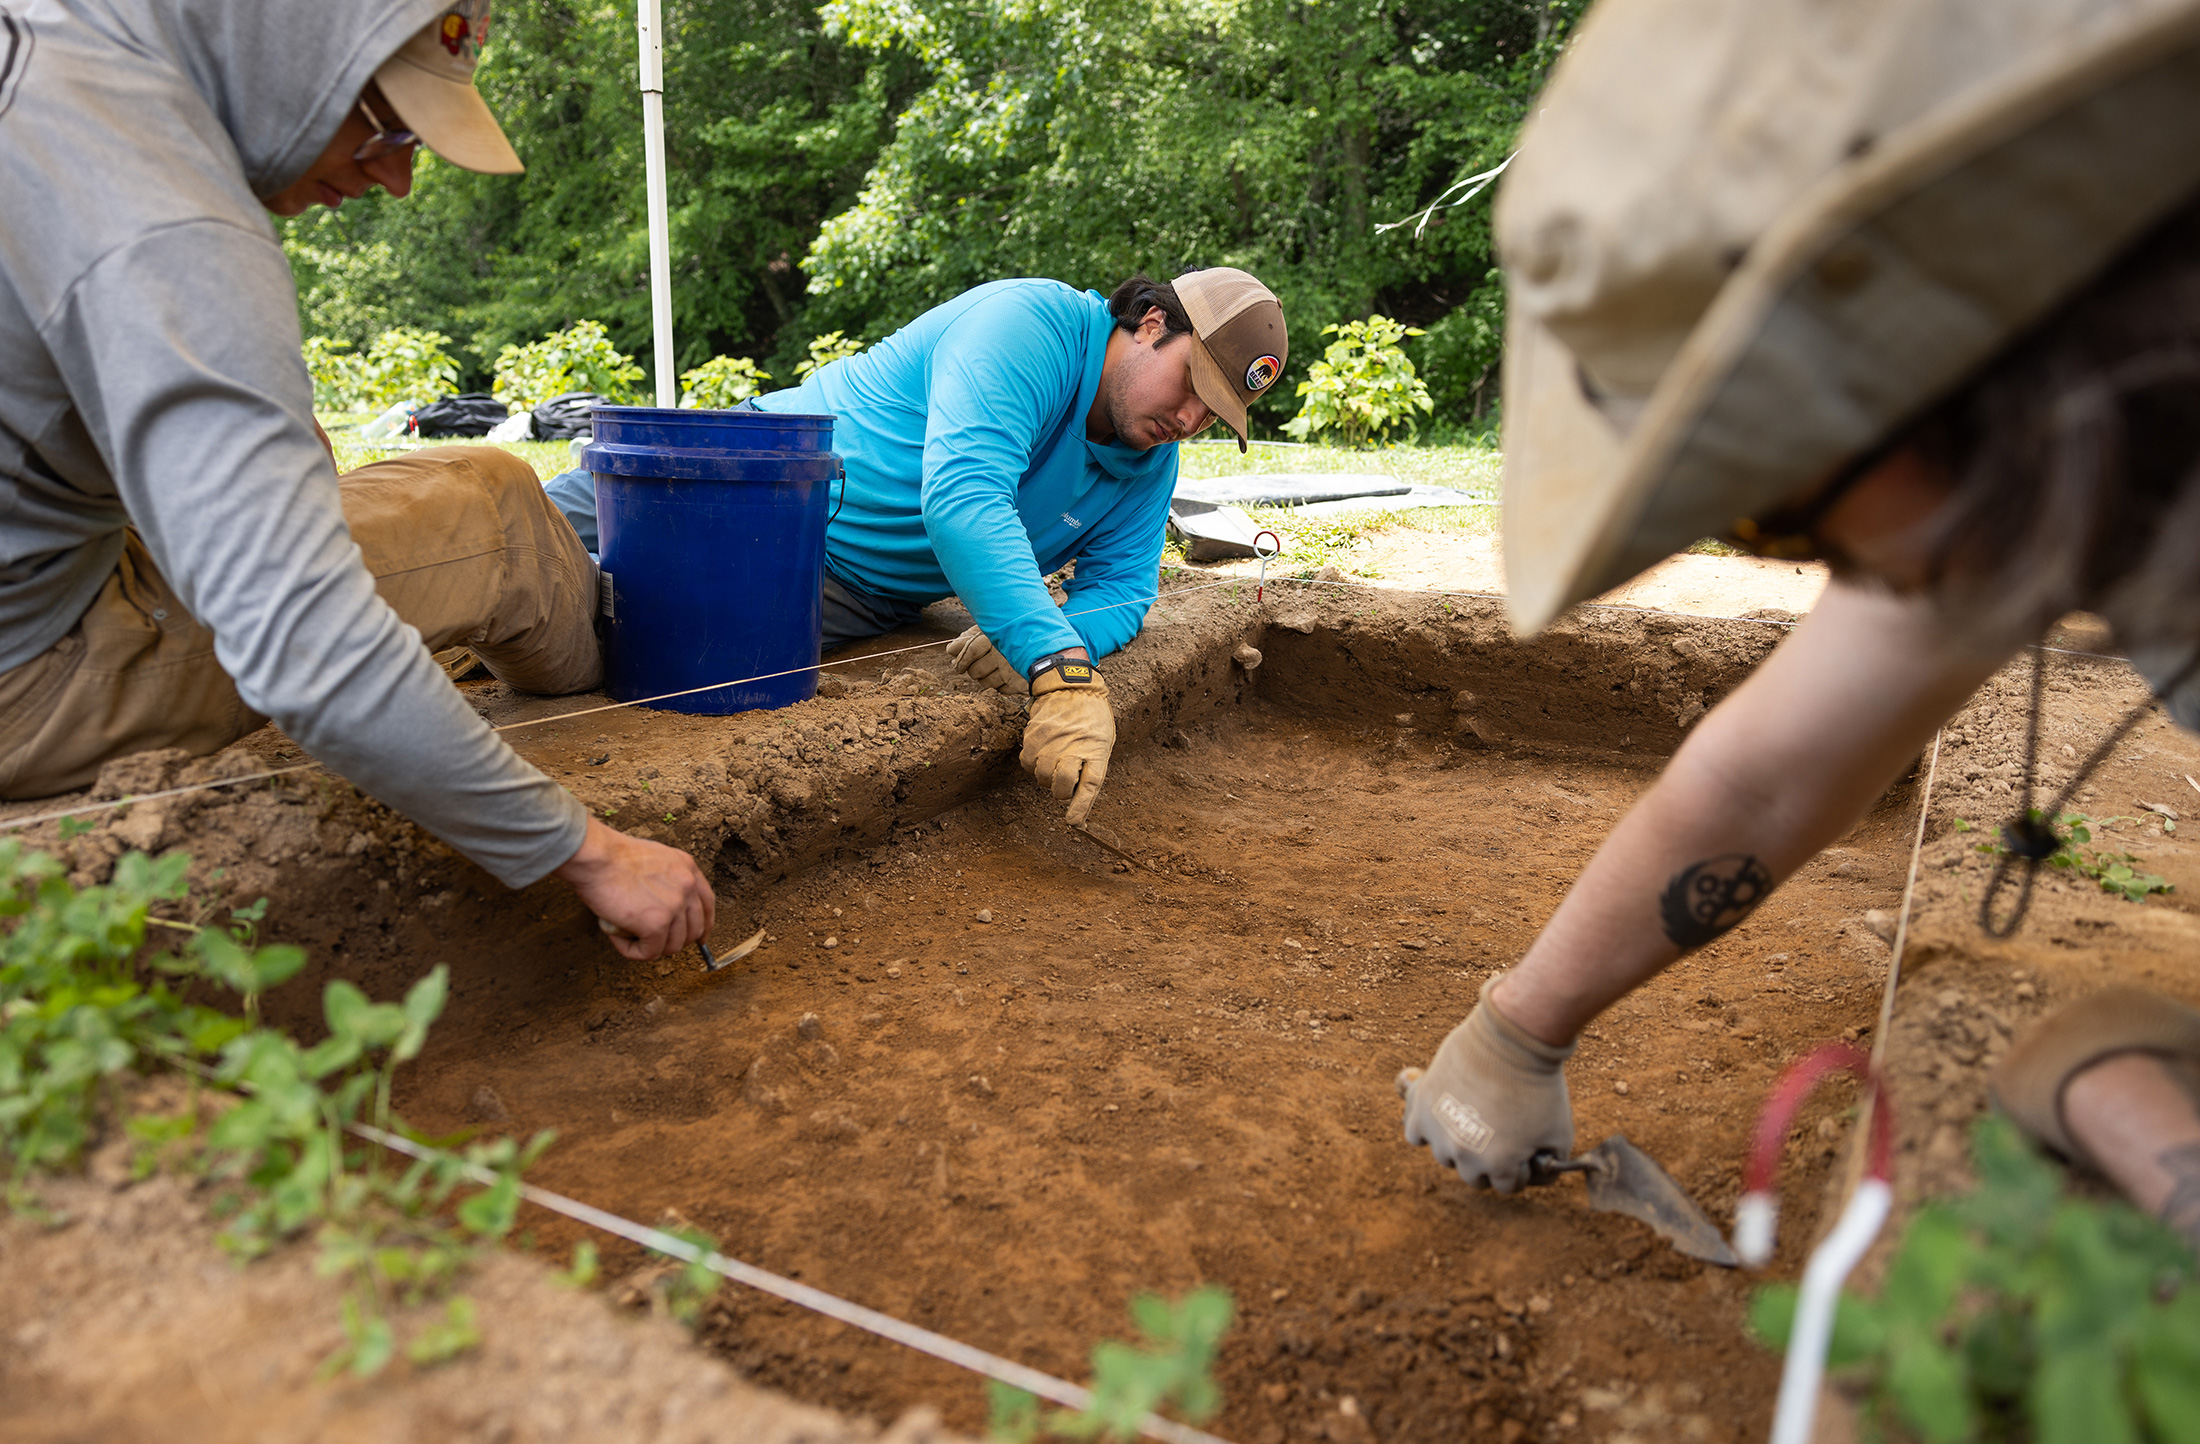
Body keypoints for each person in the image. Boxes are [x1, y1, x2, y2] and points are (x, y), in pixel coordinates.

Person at [1394, 0, 2200, 1249]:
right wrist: (1516, 1031)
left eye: (1775, 497)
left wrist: (2126, 1111)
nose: (1788, 546)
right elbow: (1768, 775)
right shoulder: (2047, 465)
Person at [0, 0, 713, 961]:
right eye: (389, 127)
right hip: (34, 675)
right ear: (282, 45)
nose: (401, 176)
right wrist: (588, 850)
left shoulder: (50, 54)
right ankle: (625, 669)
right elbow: (302, 639)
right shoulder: (169, 222)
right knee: (497, 499)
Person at [546, 269, 1290, 824]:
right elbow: (963, 498)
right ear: (1152, 321)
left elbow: (1125, 591)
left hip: (835, 591)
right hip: (747, 478)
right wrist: (1056, 666)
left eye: (1215, 412)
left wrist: (1057, 633)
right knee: (498, 539)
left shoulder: (1148, 461)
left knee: (601, 632)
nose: (1189, 418)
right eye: (1190, 383)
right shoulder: (1032, 328)